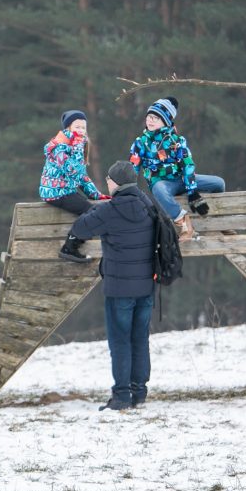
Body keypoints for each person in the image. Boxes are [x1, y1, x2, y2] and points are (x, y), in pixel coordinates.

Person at [69, 161, 156, 410]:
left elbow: (80, 228)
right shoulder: (147, 204)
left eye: (108, 179)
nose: (107, 182)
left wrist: (89, 210)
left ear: (116, 183)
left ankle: (121, 396)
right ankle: (139, 392)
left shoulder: (110, 210)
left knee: (120, 342)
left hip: (119, 289)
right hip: (146, 285)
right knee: (140, 339)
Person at [129, 97, 224, 241]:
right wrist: (128, 190)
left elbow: (187, 165)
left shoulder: (177, 141)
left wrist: (192, 192)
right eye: (149, 116)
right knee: (159, 190)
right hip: (161, 182)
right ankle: (185, 224)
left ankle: (220, 222)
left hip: (181, 180)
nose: (151, 120)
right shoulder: (141, 142)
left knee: (218, 183)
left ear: (165, 121)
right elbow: (132, 168)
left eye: (156, 118)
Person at [38, 109, 109, 262]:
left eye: (84, 127)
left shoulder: (78, 144)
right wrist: (77, 147)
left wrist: (96, 195)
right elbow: (71, 170)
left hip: (66, 190)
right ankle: (69, 247)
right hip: (55, 192)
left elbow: (82, 176)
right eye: (77, 127)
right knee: (91, 211)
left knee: (95, 207)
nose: (81, 130)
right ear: (67, 128)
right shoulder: (60, 146)